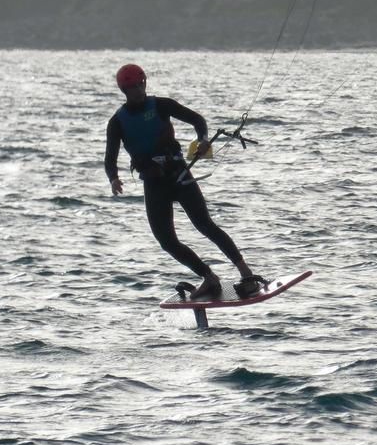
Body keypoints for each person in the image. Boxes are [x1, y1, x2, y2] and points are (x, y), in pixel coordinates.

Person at [104, 63, 261, 300]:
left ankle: (246, 273)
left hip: (178, 175)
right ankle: (208, 277)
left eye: (140, 85)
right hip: (154, 183)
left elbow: (197, 120)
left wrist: (203, 139)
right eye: (132, 88)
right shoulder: (118, 121)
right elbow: (110, 157)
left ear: (144, 83)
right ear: (124, 91)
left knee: (204, 224)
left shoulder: (161, 105)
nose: (138, 90)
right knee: (166, 241)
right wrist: (114, 178)